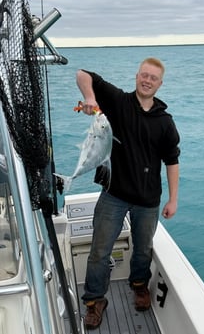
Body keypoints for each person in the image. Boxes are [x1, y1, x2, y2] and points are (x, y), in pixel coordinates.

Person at [76, 57, 180, 329]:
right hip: (114, 195)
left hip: (148, 200)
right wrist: (89, 97)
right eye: (144, 75)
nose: (147, 80)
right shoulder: (118, 102)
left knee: (143, 250)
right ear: (136, 77)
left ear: (160, 84)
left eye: (153, 78)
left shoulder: (165, 122)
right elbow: (83, 73)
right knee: (100, 250)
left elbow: (172, 161)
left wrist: (173, 199)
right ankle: (95, 300)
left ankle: (139, 285)